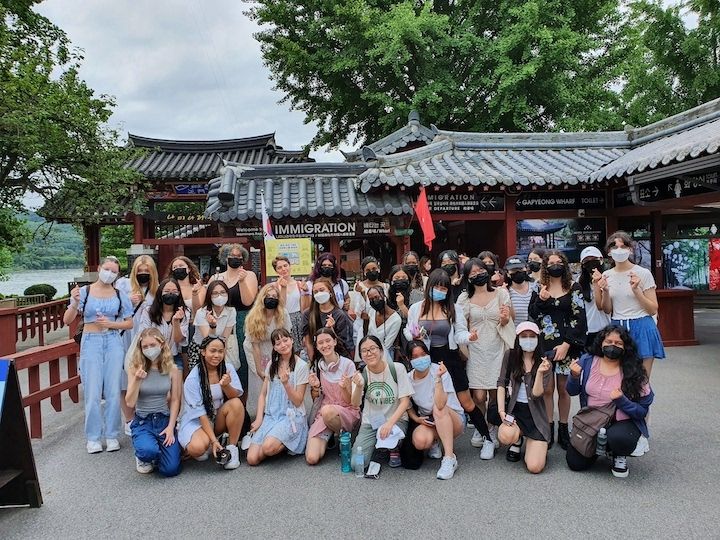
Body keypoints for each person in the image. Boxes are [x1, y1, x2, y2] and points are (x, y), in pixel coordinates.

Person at [404, 269, 492, 449]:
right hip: (426, 358)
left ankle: (487, 438)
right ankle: (435, 439)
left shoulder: (453, 308)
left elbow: (459, 334)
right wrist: (412, 335)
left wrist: (469, 337)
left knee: (467, 402)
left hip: (449, 357)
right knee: (431, 401)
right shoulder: (416, 308)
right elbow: (408, 330)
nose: (439, 291)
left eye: (444, 289)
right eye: (436, 287)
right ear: (429, 287)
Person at [63, 255, 134, 453]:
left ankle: (112, 434)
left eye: (114, 271)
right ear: (99, 267)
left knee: (113, 390)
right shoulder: (84, 292)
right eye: (107, 269)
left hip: (113, 340)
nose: (109, 273)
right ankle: (93, 436)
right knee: (92, 391)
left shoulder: (120, 295)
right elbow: (67, 320)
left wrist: (111, 324)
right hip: (91, 340)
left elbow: (129, 322)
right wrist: (74, 302)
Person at [566, 325, 654, 478]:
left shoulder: (633, 369)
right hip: (593, 420)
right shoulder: (588, 361)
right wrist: (573, 377)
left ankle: (619, 453)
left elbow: (642, 411)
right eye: (608, 341)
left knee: (619, 438)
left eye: (618, 343)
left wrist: (622, 401)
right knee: (575, 464)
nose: (612, 346)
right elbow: (572, 391)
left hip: (621, 422)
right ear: (601, 342)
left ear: (625, 347)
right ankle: (599, 447)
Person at [528, 250, 587, 450]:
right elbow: (533, 314)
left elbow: (580, 319)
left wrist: (567, 344)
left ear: (564, 264)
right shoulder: (539, 286)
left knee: (563, 389)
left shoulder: (573, 287)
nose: (555, 265)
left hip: (567, 345)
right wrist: (541, 299)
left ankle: (563, 427)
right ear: (545, 266)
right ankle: (548, 427)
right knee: (546, 389)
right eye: (551, 262)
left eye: (558, 262)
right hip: (544, 343)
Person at [457, 258, 514, 459]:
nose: (477, 275)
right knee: (478, 396)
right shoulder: (464, 299)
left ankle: (489, 434)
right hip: (476, 349)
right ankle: (482, 427)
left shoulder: (501, 294)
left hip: (497, 348)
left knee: (493, 394)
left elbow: (510, 319)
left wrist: (506, 318)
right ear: (467, 277)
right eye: (472, 273)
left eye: (480, 270)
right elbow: (460, 325)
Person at [595, 231, 664, 378]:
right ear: (609, 252)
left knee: (642, 379)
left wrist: (636, 290)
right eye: (614, 247)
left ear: (630, 249)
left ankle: (641, 401)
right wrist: (605, 290)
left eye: (623, 246)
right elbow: (607, 309)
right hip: (617, 327)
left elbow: (653, 309)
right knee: (617, 377)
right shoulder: (607, 275)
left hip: (642, 325)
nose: (619, 250)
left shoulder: (643, 273)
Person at [178, 336, 245, 470]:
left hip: (216, 417)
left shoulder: (228, 368)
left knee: (236, 404)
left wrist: (226, 386)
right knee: (198, 449)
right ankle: (209, 442)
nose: (217, 355)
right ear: (203, 352)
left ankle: (232, 448)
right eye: (212, 351)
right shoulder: (193, 378)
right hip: (197, 420)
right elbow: (200, 414)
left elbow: (235, 396)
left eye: (220, 351)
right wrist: (213, 440)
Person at [246, 328, 309, 465]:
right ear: (274, 347)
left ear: (292, 340)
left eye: (285, 340)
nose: (283, 345)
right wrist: (258, 419)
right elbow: (263, 395)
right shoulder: (271, 365)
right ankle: (276, 440)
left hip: (291, 416)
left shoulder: (301, 366)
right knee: (252, 459)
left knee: (268, 448)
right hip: (271, 416)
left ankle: (287, 442)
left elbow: (298, 401)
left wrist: (286, 384)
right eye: (278, 343)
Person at [496, 322, 552, 473]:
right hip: (515, 412)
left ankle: (535, 445)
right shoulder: (510, 356)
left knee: (535, 467)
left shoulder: (545, 362)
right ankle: (517, 440)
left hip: (535, 416)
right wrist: (502, 411)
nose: (528, 339)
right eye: (524, 336)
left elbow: (536, 394)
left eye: (532, 336)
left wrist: (540, 373)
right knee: (505, 436)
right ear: (518, 338)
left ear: (538, 338)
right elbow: (501, 383)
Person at [125, 328, 182, 476]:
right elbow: (130, 403)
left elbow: (175, 400)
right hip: (143, 420)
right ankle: (143, 455)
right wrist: (137, 380)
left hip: (163, 419)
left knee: (171, 469)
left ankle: (160, 452)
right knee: (148, 451)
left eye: (152, 345)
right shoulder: (135, 368)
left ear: (161, 344)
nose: (149, 349)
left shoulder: (173, 369)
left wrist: (171, 426)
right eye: (145, 347)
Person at [350, 336, 414, 468]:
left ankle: (393, 448)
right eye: (364, 350)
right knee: (357, 464)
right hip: (371, 421)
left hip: (396, 420)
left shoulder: (397, 368)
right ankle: (378, 445)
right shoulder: (360, 374)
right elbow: (355, 404)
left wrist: (389, 424)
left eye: (373, 348)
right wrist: (359, 386)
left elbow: (405, 401)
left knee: (389, 436)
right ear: (361, 355)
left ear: (381, 350)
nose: (369, 353)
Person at [406, 341, 465, 480]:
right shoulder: (408, 378)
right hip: (431, 420)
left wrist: (438, 379)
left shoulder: (439, 370)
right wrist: (416, 418)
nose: (421, 358)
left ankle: (449, 458)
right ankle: (435, 441)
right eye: (415, 356)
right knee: (420, 441)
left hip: (453, 417)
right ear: (409, 360)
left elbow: (440, 404)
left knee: (438, 408)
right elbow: (405, 403)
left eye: (423, 354)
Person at [117, 254, 159, 436]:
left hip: (147, 337)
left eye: (146, 271)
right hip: (126, 335)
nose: (143, 274)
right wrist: (128, 301)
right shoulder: (123, 285)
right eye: (140, 271)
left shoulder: (156, 290)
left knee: (148, 375)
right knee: (125, 377)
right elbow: (111, 308)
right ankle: (128, 418)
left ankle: (148, 416)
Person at [305, 328, 360, 465]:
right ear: (317, 346)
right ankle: (333, 433)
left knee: (328, 411)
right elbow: (316, 399)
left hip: (346, 410)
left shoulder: (348, 365)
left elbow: (351, 401)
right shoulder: (318, 366)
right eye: (321, 343)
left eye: (328, 341)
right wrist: (316, 388)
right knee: (312, 458)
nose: (325, 345)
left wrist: (345, 388)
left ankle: (344, 435)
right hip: (325, 412)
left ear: (335, 341)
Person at [213, 244, 259, 404]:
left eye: (239, 257)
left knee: (243, 362)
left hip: (242, 321)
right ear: (225, 257)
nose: (236, 259)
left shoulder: (250, 275)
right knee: (222, 360)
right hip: (222, 320)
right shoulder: (216, 278)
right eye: (232, 256)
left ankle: (242, 405)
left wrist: (242, 281)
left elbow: (248, 301)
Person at [138, 278, 190, 370]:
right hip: (151, 357)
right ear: (160, 293)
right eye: (166, 291)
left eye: (174, 291)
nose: (170, 294)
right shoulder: (148, 311)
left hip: (173, 357)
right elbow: (144, 335)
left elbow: (178, 339)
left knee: (177, 380)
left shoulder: (185, 312)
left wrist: (176, 321)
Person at [243, 284, 292, 379]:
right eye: (268, 296)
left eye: (274, 296)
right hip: (256, 352)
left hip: (276, 349)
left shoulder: (283, 314)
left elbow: (287, 339)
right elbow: (255, 345)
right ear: (262, 298)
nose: (271, 298)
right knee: (261, 381)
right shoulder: (253, 316)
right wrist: (259, 370)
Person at [302, 277, 354, 360]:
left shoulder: (340, 314)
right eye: (315, 292)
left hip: (337, 358)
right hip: (317, 357)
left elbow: (343, 344)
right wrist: (313, 362)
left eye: (322, 290)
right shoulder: (308, 314)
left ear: (330, 292)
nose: (319, 293)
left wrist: (331, 329)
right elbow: (308, 342)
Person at [190, 280, 237, 370]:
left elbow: (225, 338)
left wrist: (222, 359)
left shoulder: (231, 311)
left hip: (219, 349)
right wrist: (212, 326)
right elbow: (207, 340)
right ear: (209, 296)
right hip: (200, 349)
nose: (219, 296)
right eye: (215, 293)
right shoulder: (202, 313)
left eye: (223, 292)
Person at [271, 255, 310, 352]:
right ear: (276, 271)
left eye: (285, 265)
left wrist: (306, 292)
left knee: (298, 350)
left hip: (297, 319)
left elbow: (305, 308)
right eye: (279, 267)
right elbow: (280, 305)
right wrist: (282, 288)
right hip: (281, 319)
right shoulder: (274, 286)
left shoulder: (299, 284)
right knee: (283, 349)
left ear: (289, 266)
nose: (283, 269)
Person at [357, 285, 402, 360]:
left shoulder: (396, 319)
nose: (374, 301)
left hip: (385, 355)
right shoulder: (371, 311)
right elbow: (366, 335)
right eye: (371, 299)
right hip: (369, 353)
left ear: (384, 296)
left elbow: (387, 345)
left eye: (376, 297)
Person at [578, 246, 611, 348]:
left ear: (601, 260)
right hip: (586, 329)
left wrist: (597, 283)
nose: (590, 263)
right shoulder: (579, 282)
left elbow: (600, 306)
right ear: (582, 265)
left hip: (606, 328)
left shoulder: (608, 278)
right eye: (587, 261)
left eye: (594, 259)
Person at [505, 255, 536, 324]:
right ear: (507, 273)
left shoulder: (536, 287)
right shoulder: (505, 292)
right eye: (514, 270)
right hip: (514, 333)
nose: (518, 272)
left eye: (520, 269)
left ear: (526, 269)